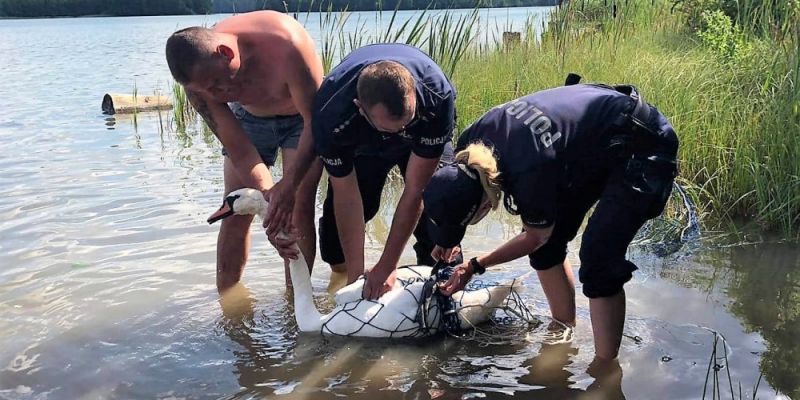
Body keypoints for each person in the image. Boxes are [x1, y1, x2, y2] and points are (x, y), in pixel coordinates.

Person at [422, 77, 679, 360]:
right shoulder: (469, 144)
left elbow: (535, 237)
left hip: (643, 141)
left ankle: (604, 370)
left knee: (599, 256)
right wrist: (448, 240)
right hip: (591, 143)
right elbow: (541, 239)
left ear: (484, 207)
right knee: (549, 249)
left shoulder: (530, 171)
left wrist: (474, 266)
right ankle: (563, 330)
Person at [165, 11, 324, 292]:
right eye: (207, 91)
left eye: (217, 85)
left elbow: (316, 122)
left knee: (297, 207)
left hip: (303, 119)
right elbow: (238, 148)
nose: (215, 95)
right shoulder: (198, 84)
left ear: (226, 53)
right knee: (235, 209)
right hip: (250, 118)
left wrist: (287, 188)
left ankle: (295, 303)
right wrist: (268, 203)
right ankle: (227, 302)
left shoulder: (287, 44)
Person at [305, 43, 457, 298]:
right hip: (363, 145)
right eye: (392, 129)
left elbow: (415, 189)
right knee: (334, 243)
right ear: (360, 108)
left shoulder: (436, 95)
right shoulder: (330, 113)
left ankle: (441, 289)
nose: (399, 133)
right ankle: (345, 278)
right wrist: (356, 282)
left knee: (440, 217)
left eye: (404, 123)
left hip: (422, 138)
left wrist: (387, 265)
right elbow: (347, 196)